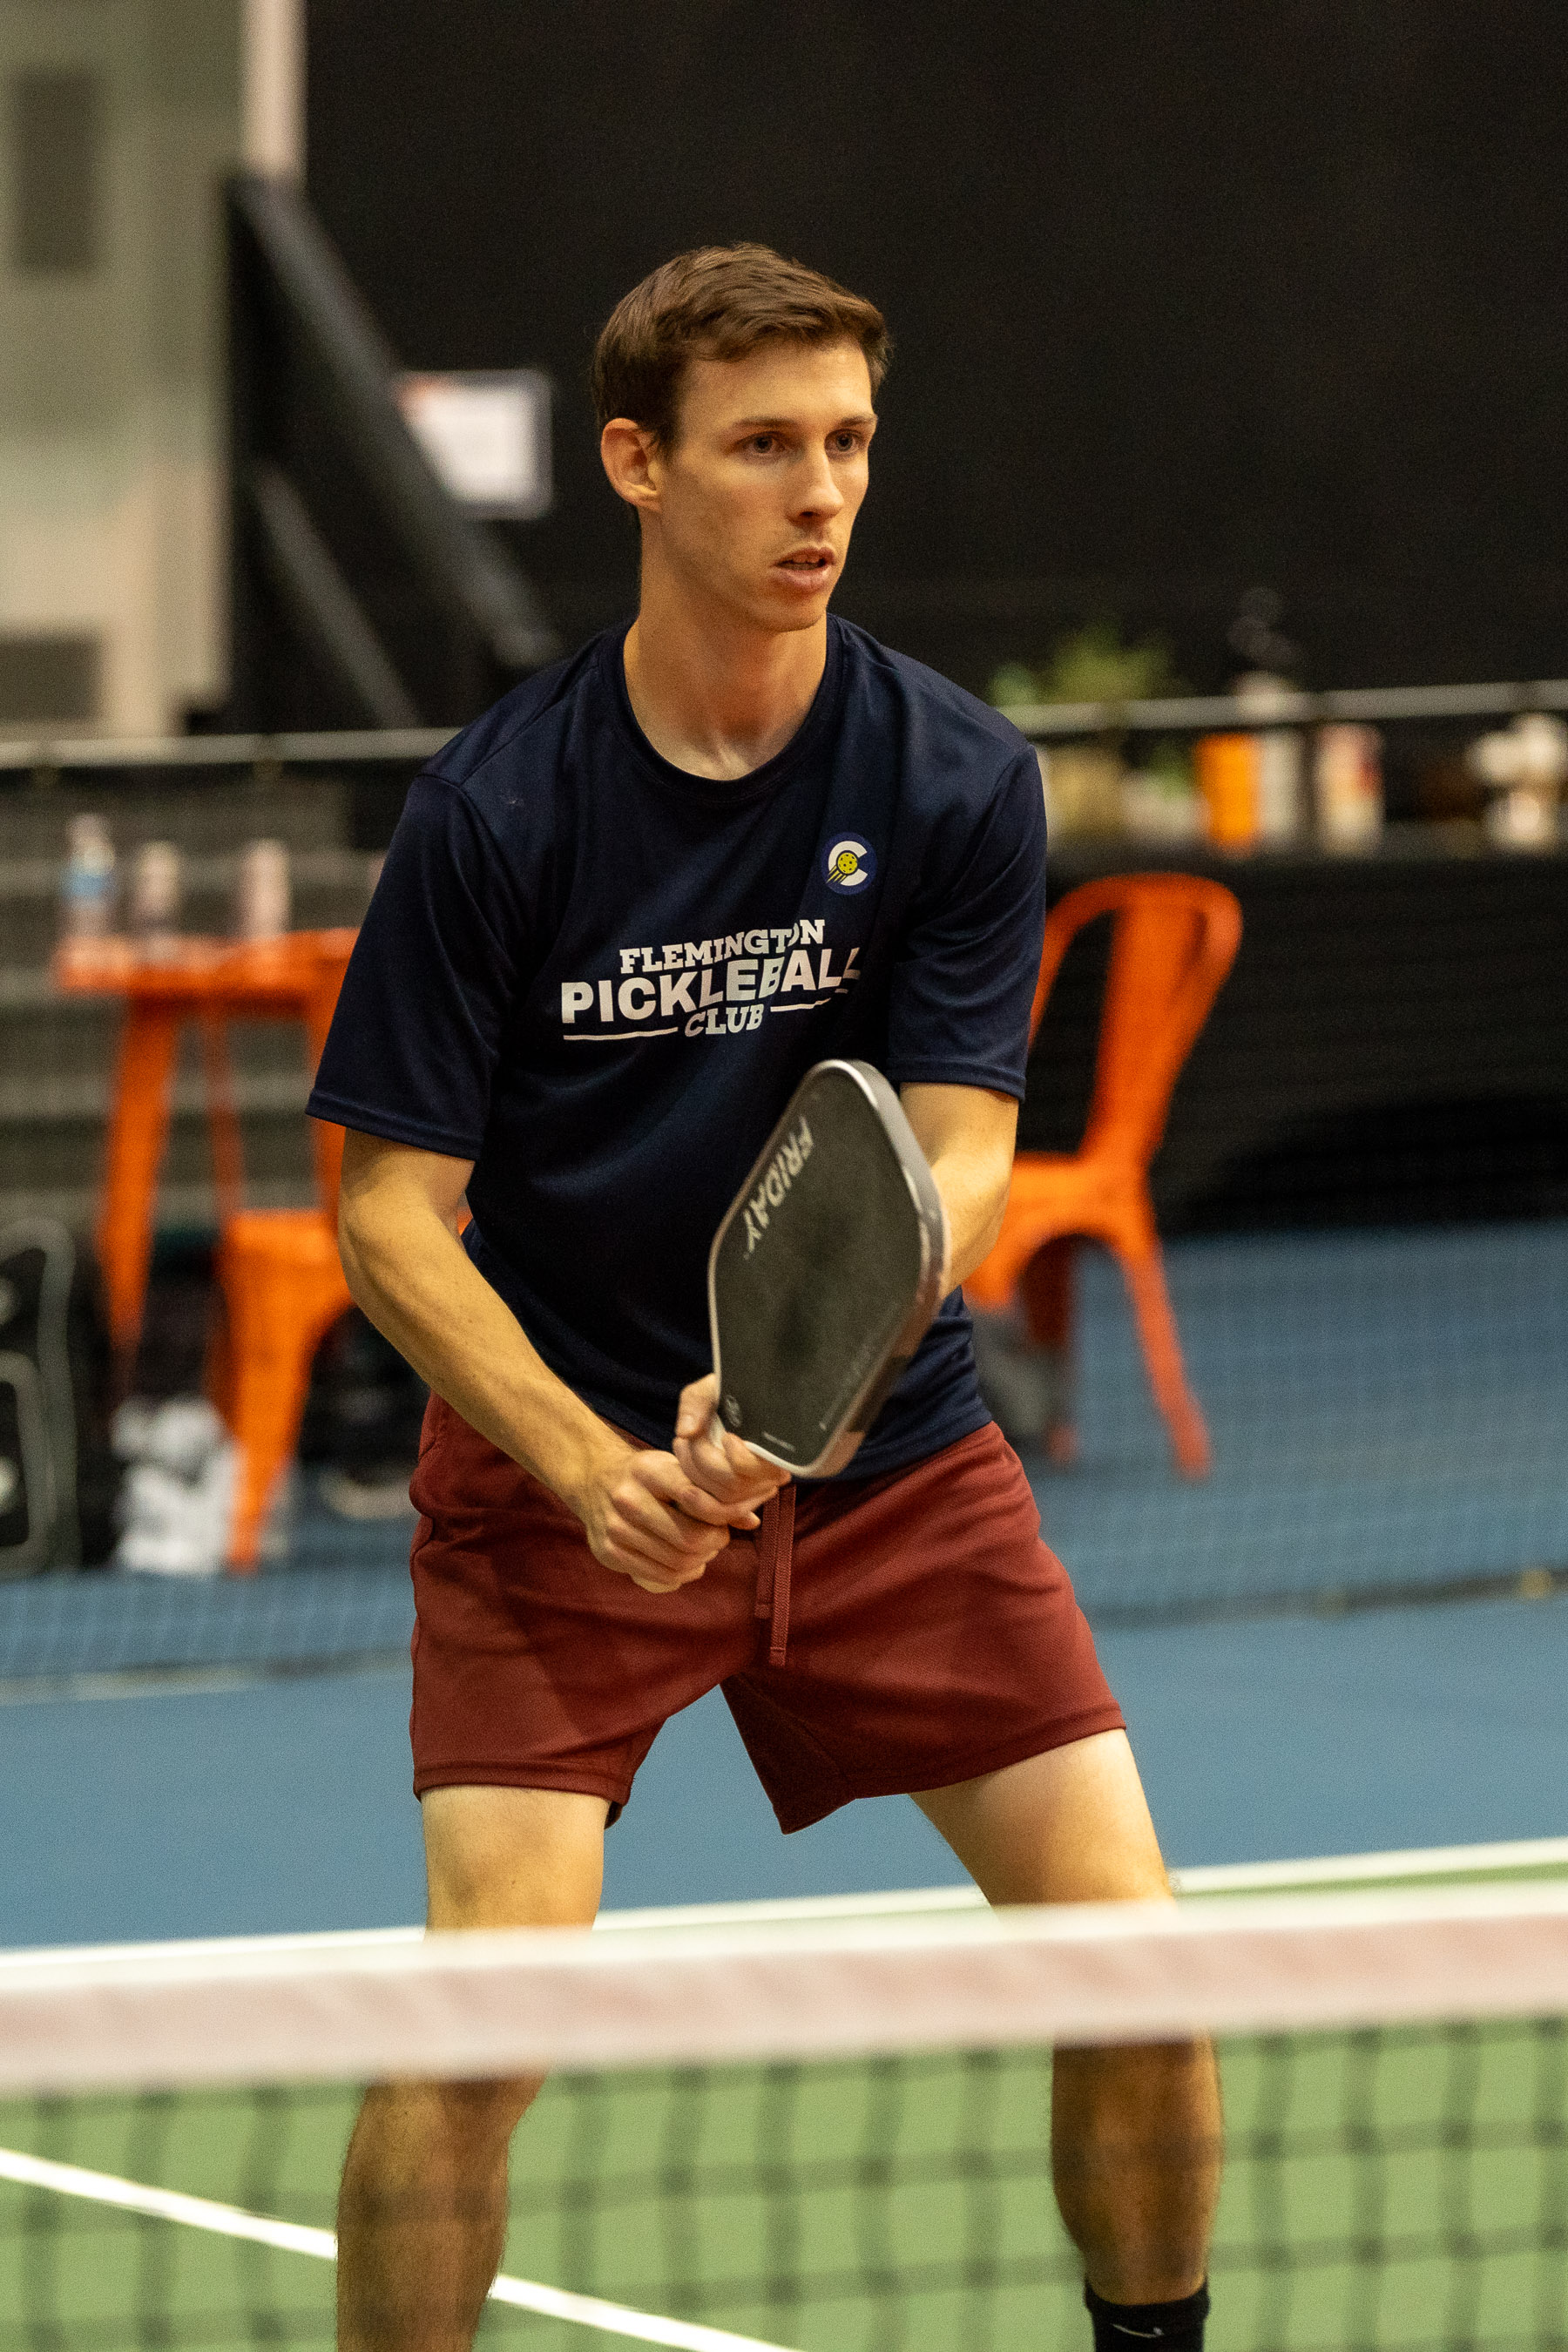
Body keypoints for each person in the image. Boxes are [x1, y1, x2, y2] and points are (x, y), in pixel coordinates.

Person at [310, 243, 1220, 2352]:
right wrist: (590, 1467)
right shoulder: (498, 811)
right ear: (637, 463)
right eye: (763, 448)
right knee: (476, 2037)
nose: (821, 494)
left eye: (849, 445)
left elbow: (962, 1151)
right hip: (563, 1491)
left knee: (1151, 1977)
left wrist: (824, 1361)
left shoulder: (951, 775)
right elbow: (389, 1218)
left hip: (890, 1474)